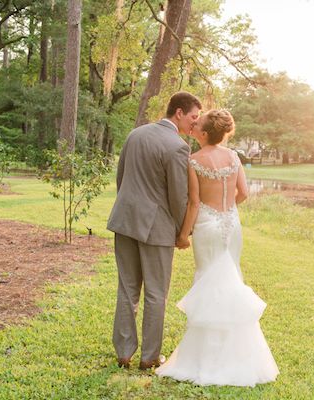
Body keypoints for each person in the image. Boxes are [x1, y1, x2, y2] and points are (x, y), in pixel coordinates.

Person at [155, 109, 279, 386]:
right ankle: (240, 357)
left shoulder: (194, 160)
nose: (194, 125)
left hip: (208, 226)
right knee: (231, 279)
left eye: (198, 124)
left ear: (205, 132)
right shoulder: (234, 157)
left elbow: (194, 203)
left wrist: (183, 234)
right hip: (231, 225)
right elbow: (244, 193)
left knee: (208, 281)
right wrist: (228, 211)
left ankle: (206, 359)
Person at [107, 92, 202, 370]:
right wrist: (183, 231)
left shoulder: (135, 134)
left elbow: (121, 177)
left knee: (127, 288)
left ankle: (123, 353)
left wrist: (129, 207)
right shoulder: (177, 146)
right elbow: (178, 196)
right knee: (156, 293)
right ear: (179, 113)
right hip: (157, 228)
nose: (194, 125)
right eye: (193, 117)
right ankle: (149, 357)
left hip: (124, 221)